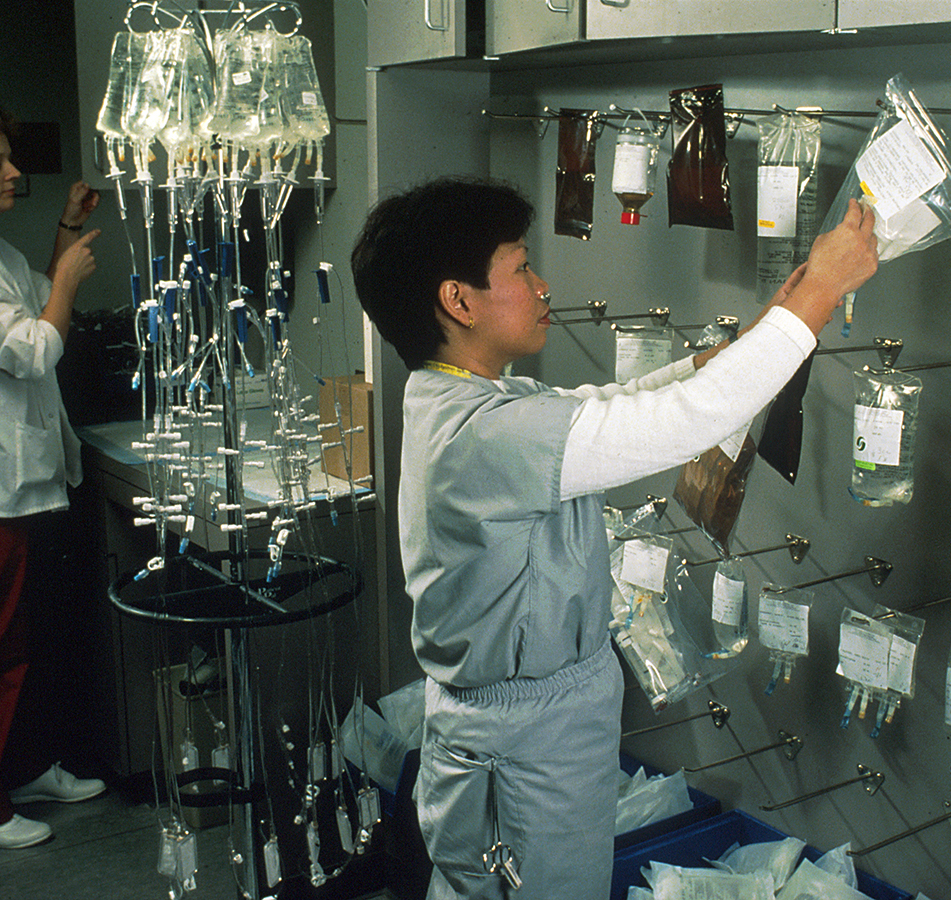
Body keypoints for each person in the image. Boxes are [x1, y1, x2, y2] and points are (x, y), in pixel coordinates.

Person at [350, 176, 876, 899]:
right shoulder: (484, 434)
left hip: (543, 729)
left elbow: (617, 401)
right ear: (459, 301)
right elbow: (678, 423)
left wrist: (764, 331)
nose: (543, 285)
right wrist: (818, 296)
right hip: (522, 744)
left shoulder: (480, 399)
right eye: (520, 267)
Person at [0, 109, 107, 850]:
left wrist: (67, 231)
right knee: (2, 645)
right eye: (0, 162)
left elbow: (40, 300)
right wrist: (67, 279)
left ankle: (26, 766)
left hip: (28, 482)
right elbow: (36, 346)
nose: (15, 172)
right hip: (2, 493)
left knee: (30, 639)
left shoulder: (2, 250)